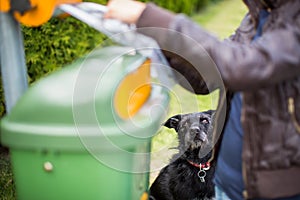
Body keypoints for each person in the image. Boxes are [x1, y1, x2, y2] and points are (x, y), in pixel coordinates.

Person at [105, 0, 300, 199]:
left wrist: (151, 18)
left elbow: (242, 67)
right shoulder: (256, 16)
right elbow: (207, 76)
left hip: (278, 189)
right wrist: (159, 45)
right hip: (225, 179)